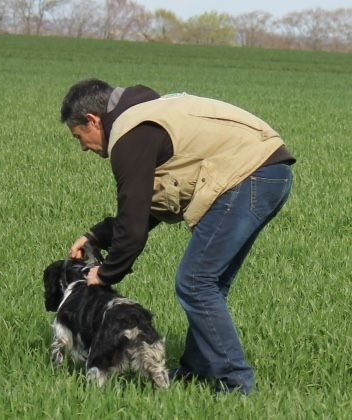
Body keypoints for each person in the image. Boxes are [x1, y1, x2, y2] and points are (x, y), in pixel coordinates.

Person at [60, 79, 295, 395]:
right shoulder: (145, 116)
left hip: (249, 175)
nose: (83, 147)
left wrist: (104, 274)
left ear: (93, 120)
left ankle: (237, 385)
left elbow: (133, 226)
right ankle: (197, 370)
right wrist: (97, 237)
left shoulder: (130, 135)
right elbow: (148, 207)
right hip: (270, 170)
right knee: (208, 284)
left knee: (196, 282)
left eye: (79, 137)